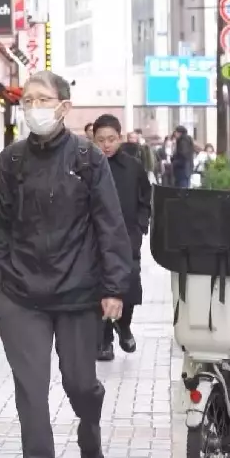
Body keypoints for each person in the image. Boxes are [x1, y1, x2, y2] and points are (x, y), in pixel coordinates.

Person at [0, 71, 133, 458]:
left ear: (64, 107)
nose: (34, 108)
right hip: (20, 293)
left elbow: (110, 225)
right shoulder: (9, 161)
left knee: (79, 382)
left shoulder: (88, 158)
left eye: (43, 100)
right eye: (28, 100)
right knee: (31, 386)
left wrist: (114, 287)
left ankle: (90, 431)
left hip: (77, 292)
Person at [90, 115, 151, 362]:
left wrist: (141, 224)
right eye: (101, 140)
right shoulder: (87, 166)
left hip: (128, 237)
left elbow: (145, 198)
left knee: (130, 287)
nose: (106, 145)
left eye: (111, 139)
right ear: (93, 140)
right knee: (100, 288)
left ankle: (124, 325)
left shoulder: (133, 167)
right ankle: (104, 339)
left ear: (120, 138)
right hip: (95, 240)